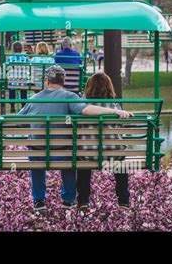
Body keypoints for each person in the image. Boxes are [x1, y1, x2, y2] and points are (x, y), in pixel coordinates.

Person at [18, 65, 133, 212]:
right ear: (63, 81)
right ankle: (69, 200)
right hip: (63, 154)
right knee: (70, 154)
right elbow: (85, 110)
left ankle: (39, 201)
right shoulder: (70, 97)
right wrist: (115, 111)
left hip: (38, 154)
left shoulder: (33, 99)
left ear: (47, 81)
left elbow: (16, 121)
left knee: (38, 154)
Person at [77, 73, 131, 211]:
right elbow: (121, 128)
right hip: (113, 156)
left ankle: (83, 201)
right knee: (121, 162)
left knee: (82, 160)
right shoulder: (115, 106)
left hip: (88, 155)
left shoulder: (82, 105)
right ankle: (123, 201)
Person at [6, 41, 29, 113]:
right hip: (23, 82)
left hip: (13, 82)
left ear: (13, 49)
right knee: (23, 91)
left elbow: (6, 69)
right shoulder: (25, 59)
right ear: (21, 49)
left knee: (11, 89)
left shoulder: (9, 59)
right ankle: (23, 105)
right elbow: (29, 69)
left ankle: (12, 105)